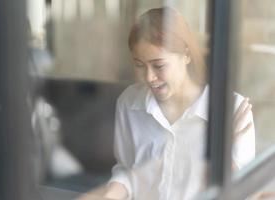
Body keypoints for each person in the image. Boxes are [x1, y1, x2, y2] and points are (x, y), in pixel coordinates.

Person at [104, 7, 255, 200]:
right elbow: (127, 169)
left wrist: (225, 156)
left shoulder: (231, 110)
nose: (149, 77)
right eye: (140, 65)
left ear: (186, 55)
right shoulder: (129, 103)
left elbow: (242, 193)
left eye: (159, 65)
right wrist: (108, 195)